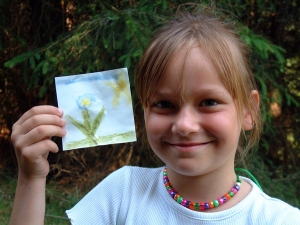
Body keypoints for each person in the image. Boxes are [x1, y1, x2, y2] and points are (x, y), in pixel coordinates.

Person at [9, 10, 300, 225]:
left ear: (249, 111)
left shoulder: (280, 220)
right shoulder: (122, 193)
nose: (185, 125)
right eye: (164, 104)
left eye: (209, 102)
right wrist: (31, 179)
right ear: (145, 109)